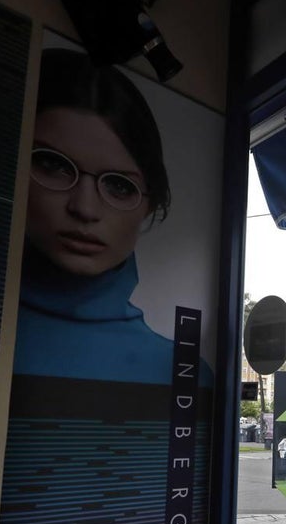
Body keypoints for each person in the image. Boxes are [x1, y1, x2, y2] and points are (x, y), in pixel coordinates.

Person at [13, 47, 206, 384]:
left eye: (119, 186)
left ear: (149, 204)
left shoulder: (185, 374)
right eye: (54, 166)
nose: (84, 208)